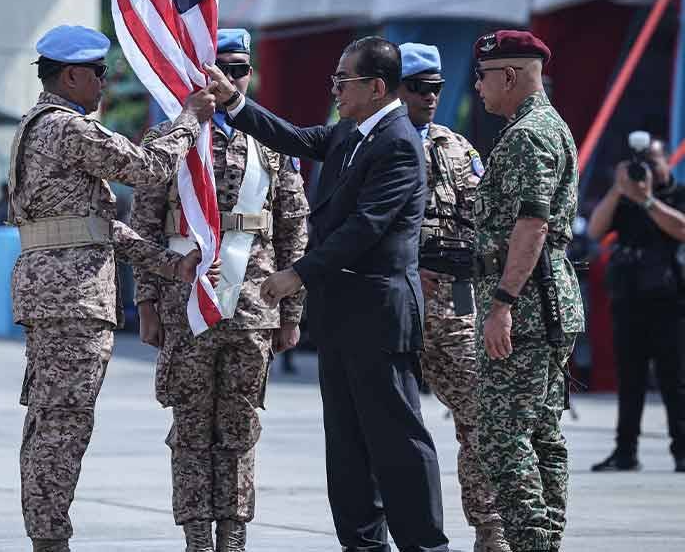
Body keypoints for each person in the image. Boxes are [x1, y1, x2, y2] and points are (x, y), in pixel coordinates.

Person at [208, 36, 451, 552]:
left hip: (380, 316)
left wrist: (297, 274)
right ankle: (363, 545)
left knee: (396, 441)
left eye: (344, 80)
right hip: (342, 316)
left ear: (377, 87)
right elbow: (295, 136)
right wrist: (234, 103)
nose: (335, 88)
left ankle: (425, 545)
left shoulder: (399, 143)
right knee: (346, 444)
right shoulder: (350, 132)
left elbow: (365, 227)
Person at [9, 25, 218, 552]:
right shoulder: (68, 129)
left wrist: (166, 266)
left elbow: (94, 225)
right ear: (73, 74)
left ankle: (46, 534)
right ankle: (50, 538)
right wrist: (189, 120)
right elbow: (147, 170)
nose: (104, 83)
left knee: (51, 419)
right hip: (72, 297)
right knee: (63, 424)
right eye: (99, 73)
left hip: (54, 294)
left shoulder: (38, 126)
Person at [130, 28, 310, 552]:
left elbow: (293, 228)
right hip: (186, 301)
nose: (228, 79)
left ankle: (232, 534)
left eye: (238, 69)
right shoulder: (171, 138)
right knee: (190, 426)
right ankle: (195, 536)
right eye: (220, 69)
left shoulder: (270, 140)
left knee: (239, 425)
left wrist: (293, 312)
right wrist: (145, 304)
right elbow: (144, 226)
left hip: (255, 302)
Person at [470, 30, 583, 552]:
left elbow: (532, 224)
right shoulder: (550, 126)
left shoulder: (527, 135)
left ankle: (532, 542)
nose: (479, 88)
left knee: (502, 436)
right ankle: (545, 539)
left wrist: (502, 305)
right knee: (541, 434)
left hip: (529, 305)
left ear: (509, 75)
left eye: (484, 77)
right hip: (550, 299)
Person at [397, 43, 509, 552]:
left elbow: (484, 220)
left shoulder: (458, 148)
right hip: (396, 301)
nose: (430, 98)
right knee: (393, 426)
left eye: (437, 88)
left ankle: (490, 531)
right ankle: (403, 532)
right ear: (394, 89)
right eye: (420, 88)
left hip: (454, 306)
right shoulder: (371, 145)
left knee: (479, 419)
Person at [587, 136, 685, 472]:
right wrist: (618, 189)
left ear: (666, 161)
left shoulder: (676, 194)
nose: (646, 169)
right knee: (629, 379)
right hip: (629, 298)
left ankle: (682, 451)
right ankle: (625, 451)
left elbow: (682, 229)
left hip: (669, 301)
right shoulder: (625, 198)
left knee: (675, 379)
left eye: (653, 162)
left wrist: (647, 201)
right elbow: (596, 230)